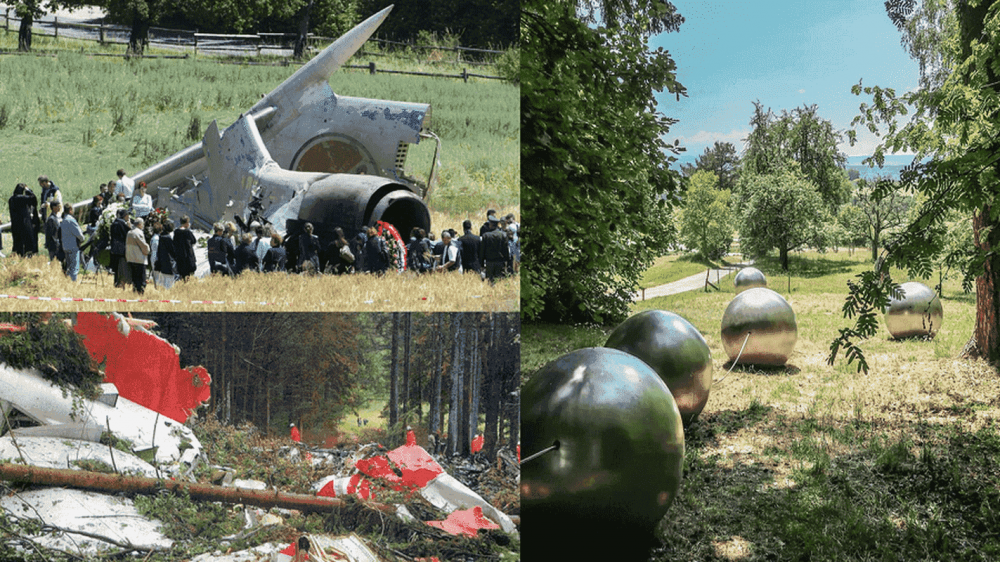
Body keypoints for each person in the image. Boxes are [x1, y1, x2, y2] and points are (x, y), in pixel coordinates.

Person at [9, 183, 40, 257]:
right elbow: (34, 199)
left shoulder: (11, 199)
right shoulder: (20, 198)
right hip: (24, 225)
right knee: (28, 245)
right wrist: (28, 190)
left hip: (15, 225)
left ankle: (18, 257)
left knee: (18, 244)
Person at [59, 204, 85, 282]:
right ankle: (73, 284)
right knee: (74, 269)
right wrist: (82, 239)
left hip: (65, 246)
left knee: (69, 268)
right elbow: (78, 233)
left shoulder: (63, 220)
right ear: (70, 210)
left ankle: (68, 283)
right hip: (73, 246)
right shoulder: (71, 220)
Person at [125, 218, 150, 293]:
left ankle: (135, 291)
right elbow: (143, 245)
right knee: (141, 278)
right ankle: (140, 292)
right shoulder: (138, 232)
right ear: (139, 224)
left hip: (131, 258)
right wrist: (148, 250)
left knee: (134, 278)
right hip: (139, 258)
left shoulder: (129, 232)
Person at [482, 218, 510, 282]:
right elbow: (506, 250)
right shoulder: (503, 235)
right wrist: (507, 262)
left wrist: (481, 264)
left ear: (491, 225)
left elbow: (482, 251)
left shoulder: (486, 235)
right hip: (500, 262)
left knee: (489, 281)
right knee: (499, 281)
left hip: (489, 262)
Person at [109, 208, 130, 287]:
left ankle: (116, 282)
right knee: (122, 267)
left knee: (117, 267)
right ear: (124, 216)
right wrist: (129, 227)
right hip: (121, 250)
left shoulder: (114, 223)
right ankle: (120, 283)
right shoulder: (122, 225)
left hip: (114, 249)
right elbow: (127, 235)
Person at [173, 216, 198, 280]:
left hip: (180, 257)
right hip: (188, 257)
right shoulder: (188, 232)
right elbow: (194, 241)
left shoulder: (176, 232)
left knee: (182, 274)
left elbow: (174, 243)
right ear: (187, 223)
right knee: (188, 275)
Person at [154, 220, 177, 290]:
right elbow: (173, 252)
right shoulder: (168, 238)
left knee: (164, 283)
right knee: (169, 284)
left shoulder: (161, 237)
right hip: (169, 263)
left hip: (162, 262)